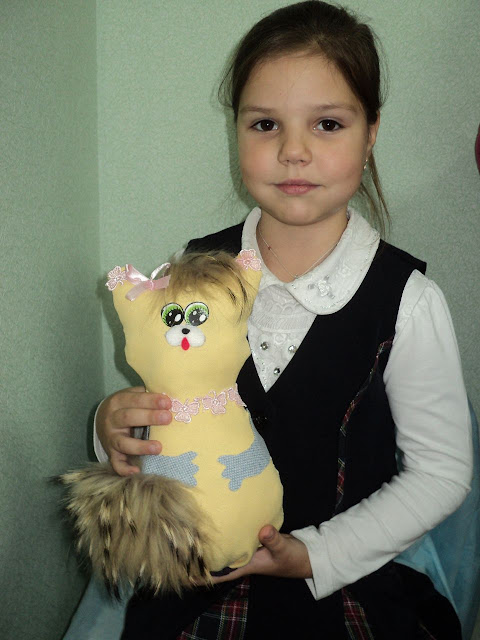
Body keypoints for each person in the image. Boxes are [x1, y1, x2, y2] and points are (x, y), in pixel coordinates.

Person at [93, 2, 472, 638]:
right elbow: (167, 407)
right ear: (236, 130)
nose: (293, 151)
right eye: (265, 124)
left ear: (371, 133)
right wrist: (112, 429)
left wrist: (316, 554)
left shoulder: (408, 300)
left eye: (327, 124)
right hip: (193, 588)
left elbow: (441, 474)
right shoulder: (191, 272)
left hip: (339, 588)